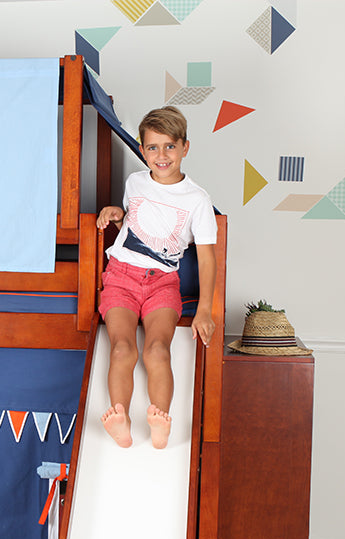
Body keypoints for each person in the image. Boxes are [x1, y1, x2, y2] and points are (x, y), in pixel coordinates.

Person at [96, 106, 217, 449]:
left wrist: (204, 310)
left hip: (162, 284)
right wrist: (116, 214)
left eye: (169, 147)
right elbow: (134, 230)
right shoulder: (135, 182)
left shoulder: (197, 201)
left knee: (157, 349)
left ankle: (160, 420)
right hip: (121, 277)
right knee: (121, 348)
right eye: (152, 147)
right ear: (142, 150)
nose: (161, 156)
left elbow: (207, 259)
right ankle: (121, 420)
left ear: (184, 147)